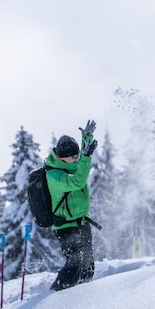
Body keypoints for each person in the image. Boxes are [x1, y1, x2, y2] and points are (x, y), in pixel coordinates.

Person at [46, 121, 98, 291]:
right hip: (66, 227)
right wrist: (86, 157)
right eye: (74, 156)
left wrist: (87, 138)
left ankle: (82, 299)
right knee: (74, 266)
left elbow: (81, 159)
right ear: (62, 156)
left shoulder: (70, 164)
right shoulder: (54, 176)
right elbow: (78, 181)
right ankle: (54, 297)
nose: (77, 159)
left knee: (88, 267)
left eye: (78, 156)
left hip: (82, 222)